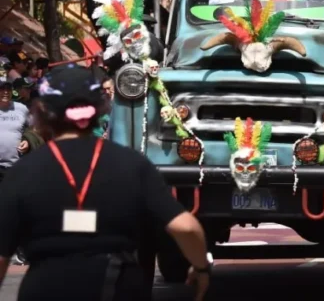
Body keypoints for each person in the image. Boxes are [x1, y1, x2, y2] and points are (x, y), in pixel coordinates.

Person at [0, 65, 211, 300]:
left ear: (41, 111)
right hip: (116, 285)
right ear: (99, 108)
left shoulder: (22, 172)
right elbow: (186, 228)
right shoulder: (133, 164)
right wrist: (201, 267)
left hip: (46, 286)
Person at [0, 77, 29, 181]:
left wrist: (27, 140)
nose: (6, 92)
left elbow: (34, 130)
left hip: (16, 167)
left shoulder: (21, 108)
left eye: (8, 89)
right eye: (2, 89)